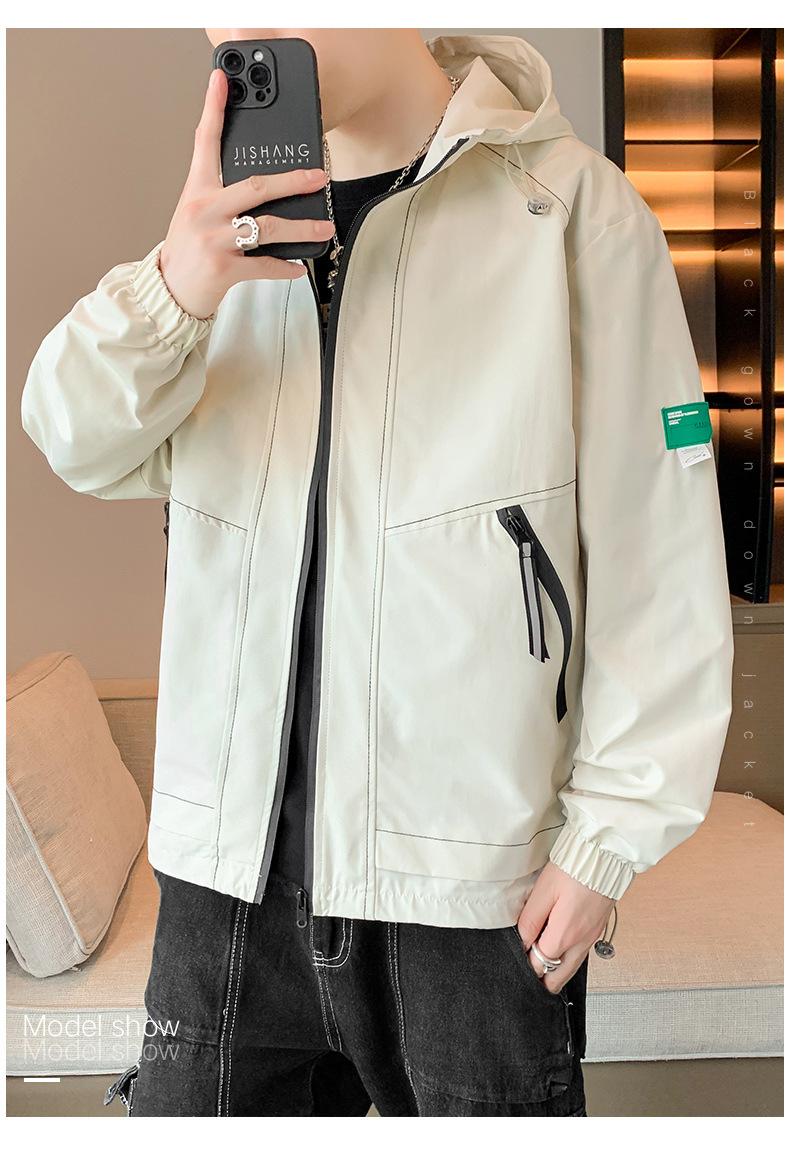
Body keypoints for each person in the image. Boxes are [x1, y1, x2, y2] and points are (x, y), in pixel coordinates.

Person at [21, 30, 734, 1117]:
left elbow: (659, 554)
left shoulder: (570, 213)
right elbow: (72, 437)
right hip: (225, 890)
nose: (237, 35)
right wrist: (174, 285)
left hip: (466, 893)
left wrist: (604, 846)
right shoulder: (226, 240)